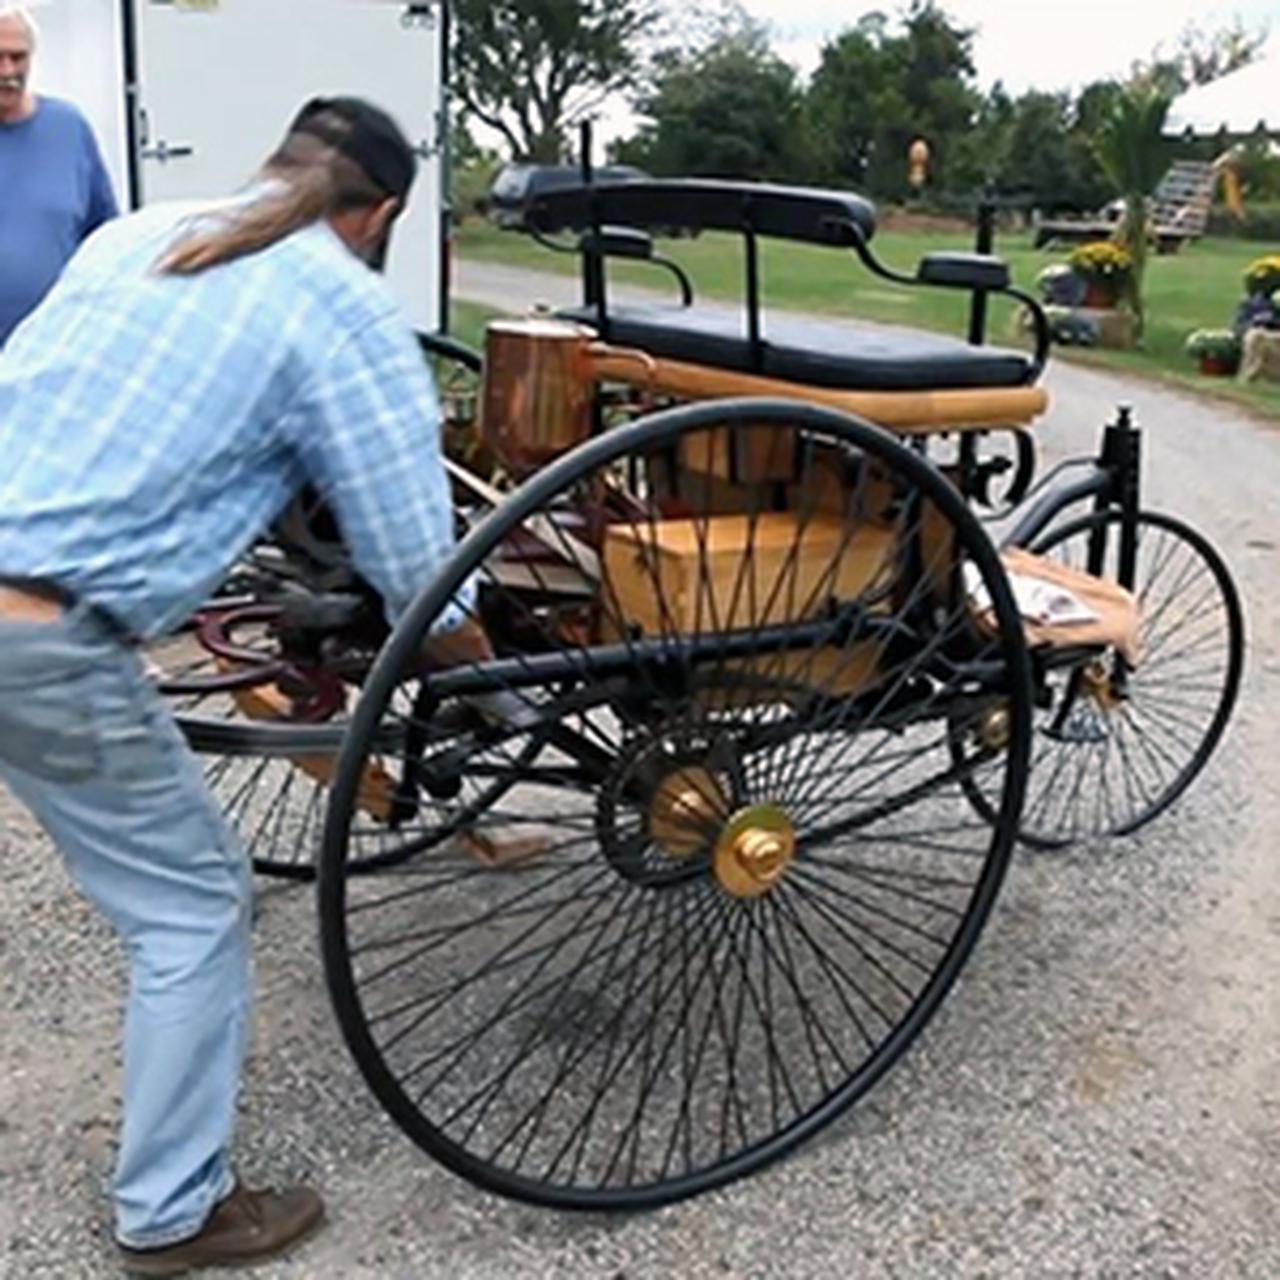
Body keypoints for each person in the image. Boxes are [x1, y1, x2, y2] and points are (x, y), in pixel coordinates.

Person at [0, 96, 459, 1275]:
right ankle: (170, 1207)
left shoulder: (135, 233)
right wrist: (490, 672)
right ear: (382, 214)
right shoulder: (344, 303)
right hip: (38, 634)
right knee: (196, 904)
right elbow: (419, 567)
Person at [0, 3, 119, 345]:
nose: (8, 70)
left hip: (53, 344)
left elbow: (103, 237)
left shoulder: (68, 128)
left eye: (18, 57)